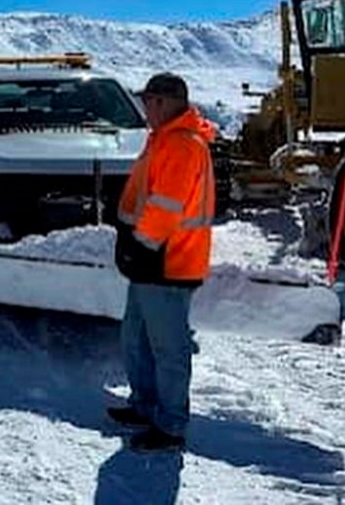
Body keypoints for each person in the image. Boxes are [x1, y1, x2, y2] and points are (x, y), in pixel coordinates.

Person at [108, 72, 216, 452]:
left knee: (169, 348)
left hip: (168, 262)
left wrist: (141, 245)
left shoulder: (183, 145)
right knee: (135, 337)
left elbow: (167, 205)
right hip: (151, 259)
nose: (144, 109)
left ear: (165, 103)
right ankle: (145, 405)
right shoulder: (165, 139)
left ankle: (170, 426)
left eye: (149, 102)